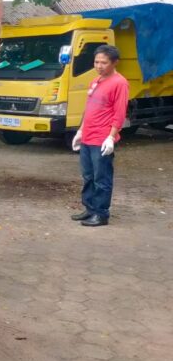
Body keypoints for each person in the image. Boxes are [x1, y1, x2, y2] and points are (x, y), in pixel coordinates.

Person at [70, 44, 129, 227]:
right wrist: (80, 130)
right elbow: (89, 108)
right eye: (96, 62)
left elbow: (119, 113)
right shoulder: (95, 81)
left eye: (104, 62)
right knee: (88, 175)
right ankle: (89, 208)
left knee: (101, 178)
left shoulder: (119, 83)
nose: (99, 66)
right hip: (88, 136)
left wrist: (111, 137)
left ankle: (101, 214)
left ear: (114, 63)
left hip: (102, 138)